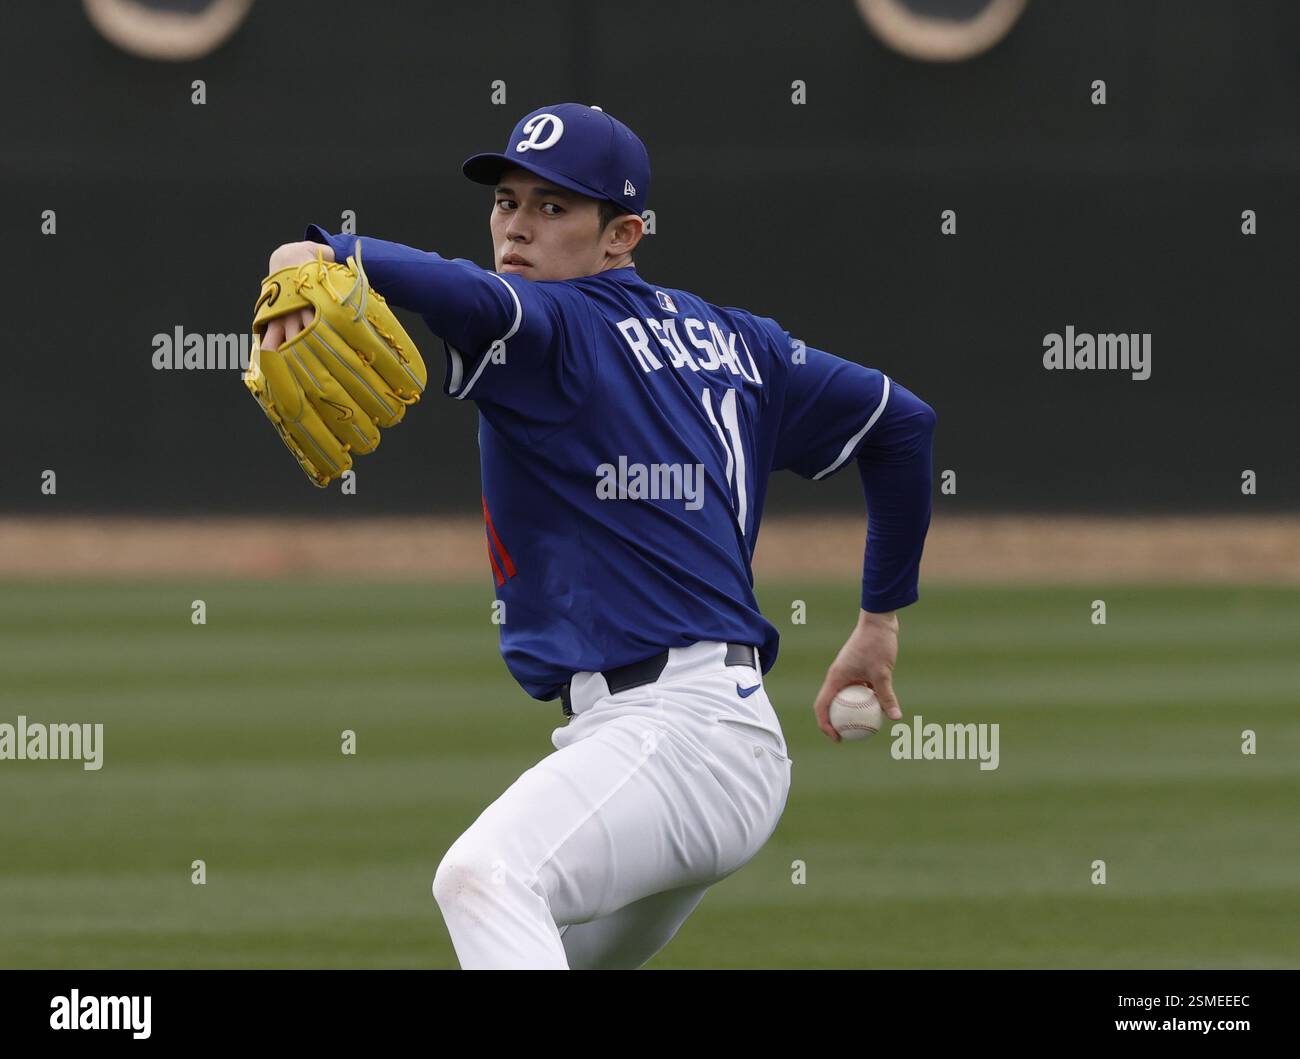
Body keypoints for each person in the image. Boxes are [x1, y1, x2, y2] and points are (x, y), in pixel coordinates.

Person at [261, 103, 937, 969]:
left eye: (553, 207)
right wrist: (878, 624)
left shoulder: (554, 326)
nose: (516, 227)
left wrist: (312, 255)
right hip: (699, 740)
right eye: (507, 200)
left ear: (622, 235)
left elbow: (453, 286)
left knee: (483, 877)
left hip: (675, 737)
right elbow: (902, 422)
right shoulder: (740, 341)